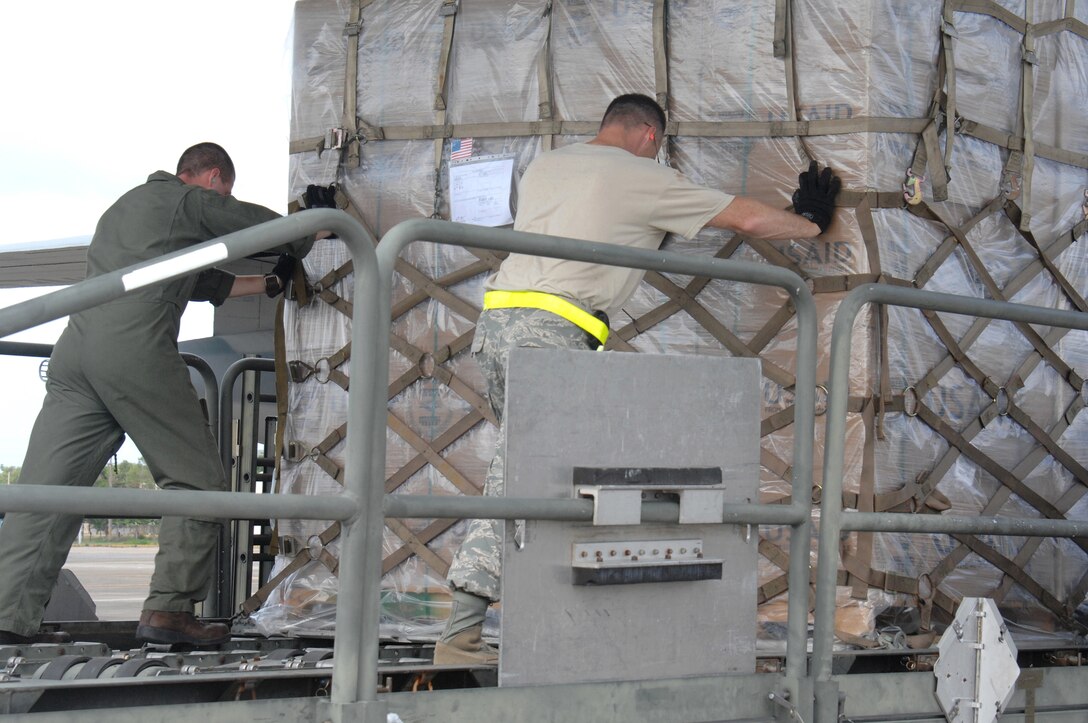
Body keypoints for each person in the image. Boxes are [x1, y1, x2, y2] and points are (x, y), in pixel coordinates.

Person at [432, 93, 841, 664]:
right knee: (520, 477)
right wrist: (810, 222)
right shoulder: (641, 176)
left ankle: (554, 620)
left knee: (547, 475)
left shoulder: (549, 165)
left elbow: (598, 226)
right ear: (650, 137)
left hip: (498, 324)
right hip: (554, 334)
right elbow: (745, 218)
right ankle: (461, 634)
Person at [0, 142, 319, 646]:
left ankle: (6, 619)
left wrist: (268, 282)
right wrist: (309, 228)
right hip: (133, 352)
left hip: (75, 357)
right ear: (212, 176)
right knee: (198, 483)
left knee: (45, 493)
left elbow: (201, 282)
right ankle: (169, 612)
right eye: (223, 190)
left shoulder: (125, 211)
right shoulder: (184, 200)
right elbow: (251, 225)